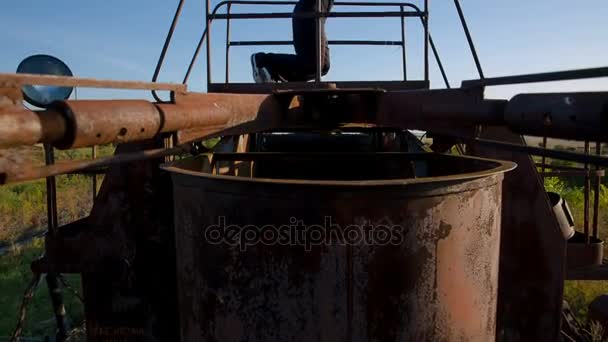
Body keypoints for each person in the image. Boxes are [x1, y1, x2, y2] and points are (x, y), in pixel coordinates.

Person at [250, 0, 333, 83]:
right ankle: (263, 61)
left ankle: (284, 77)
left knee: (324, 66)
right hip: (308, 12)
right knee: (315, 64)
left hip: (316, 14)